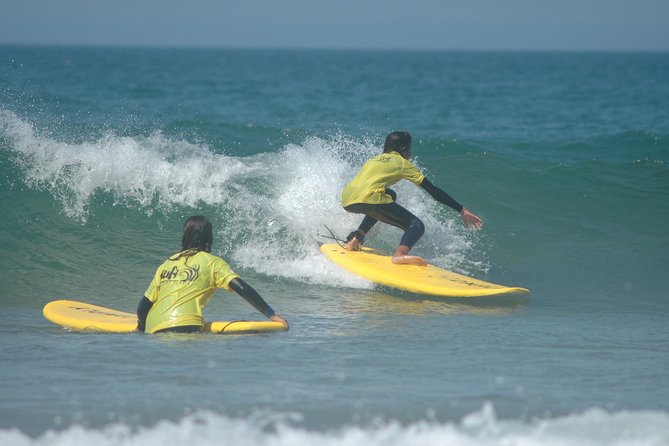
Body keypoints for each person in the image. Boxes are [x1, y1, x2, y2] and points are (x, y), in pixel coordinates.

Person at [341, 131, 482, 266]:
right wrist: (461, 209)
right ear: (404, 149)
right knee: (416, 225)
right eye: (410, 148)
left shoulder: (373, 160)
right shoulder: (402, 163)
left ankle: (356, 238)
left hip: (348, 200)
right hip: (369, 198)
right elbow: (434, 192)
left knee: (390, 195)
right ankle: (399, 255)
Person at [136, 215, 288, 334]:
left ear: (185, 235)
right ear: (210, 237)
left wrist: (142, 327)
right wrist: (271, 315)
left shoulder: (167, 264)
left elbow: (143, 307)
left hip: (154, 329)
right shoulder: (213, 262)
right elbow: (242, 288)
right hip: (187, 326)